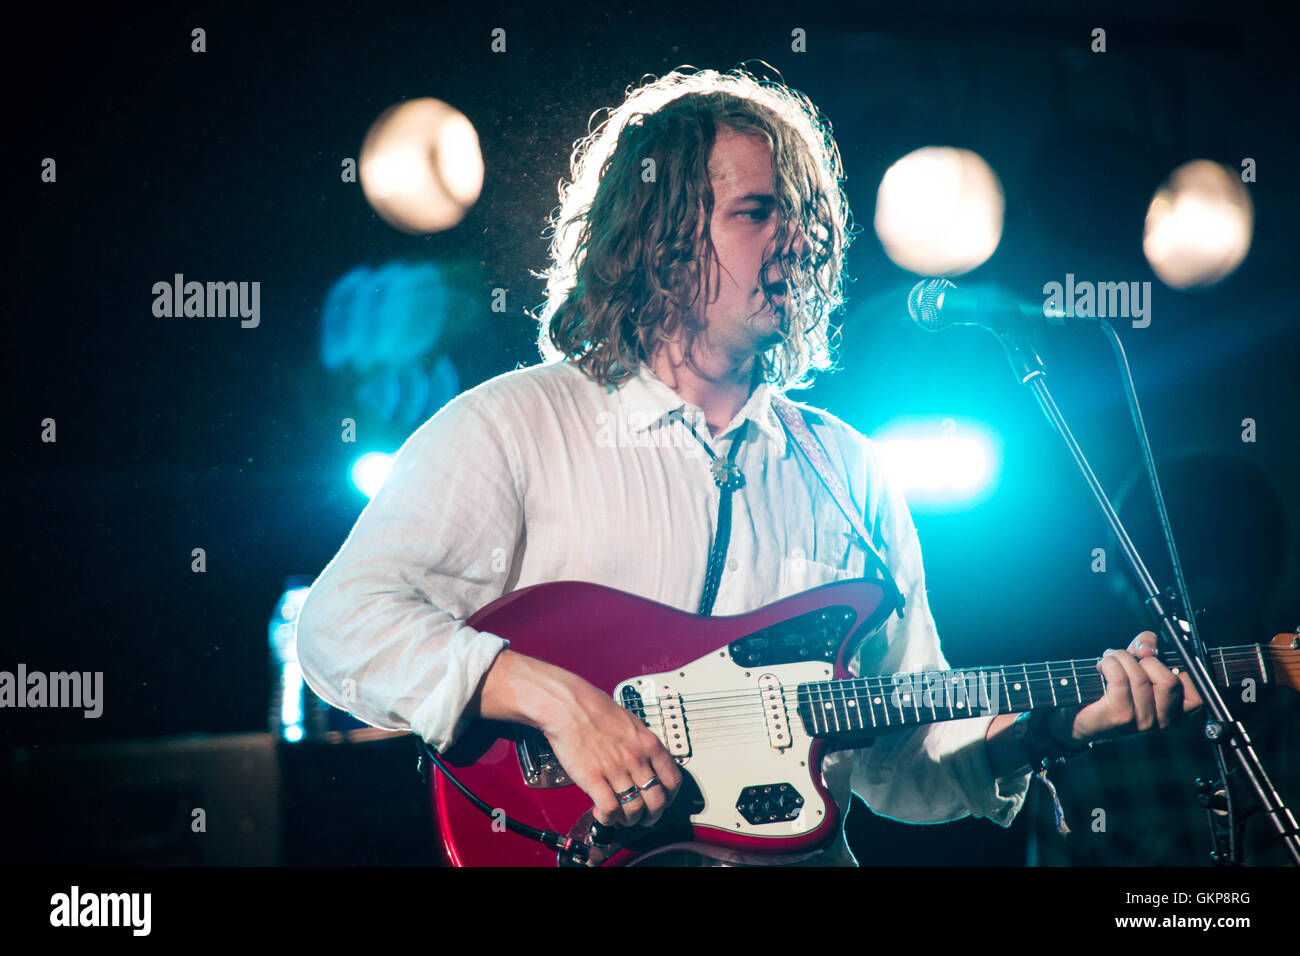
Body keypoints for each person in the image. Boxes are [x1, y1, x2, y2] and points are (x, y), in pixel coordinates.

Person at [296, 66, 1202, 866]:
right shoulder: (516, 424)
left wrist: (1051, 725)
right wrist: (553, 700)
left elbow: (901, 768)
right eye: (758, 211)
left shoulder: (848, 472)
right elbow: (340, 626)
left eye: (804, 216)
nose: (798, 240)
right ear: (656, 235)